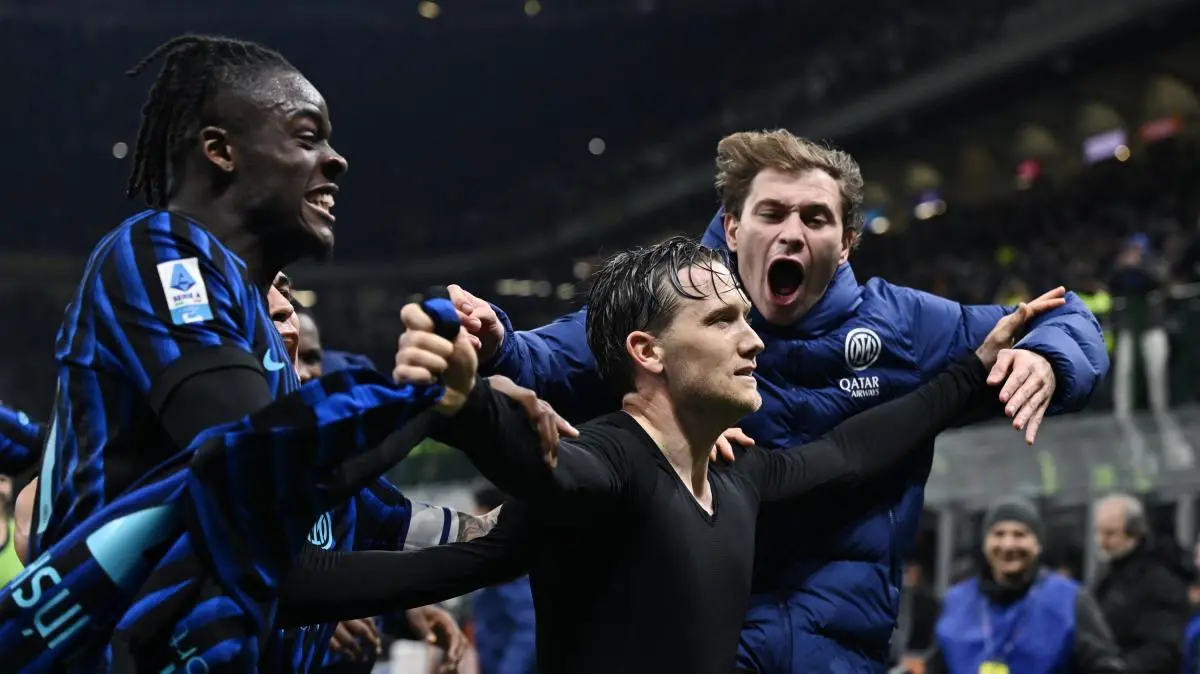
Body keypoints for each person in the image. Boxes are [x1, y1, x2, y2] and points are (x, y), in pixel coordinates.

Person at [448, 129, 1109, 672]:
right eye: (772, 213)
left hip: (841, 654)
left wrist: (1047, 355)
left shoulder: (904, 327)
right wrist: (497, 341)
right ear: (733, 229)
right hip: (706, 645)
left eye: (815, 218)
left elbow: (1061, 314)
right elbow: (549, 355)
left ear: (845, 243)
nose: (792, 231)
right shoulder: (675, 309)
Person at [926, 496, 1124, 674]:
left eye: (1020, 534)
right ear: (985, 544)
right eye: (998, 534)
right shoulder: (956, 601)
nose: (1008, 545)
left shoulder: (1070, 600)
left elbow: (1105, 667)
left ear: (1038, 545)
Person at [1092, 493, 1190, 674]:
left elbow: (1163, 649)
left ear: (1134, 534)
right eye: (1098, 532)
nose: (1101, 541)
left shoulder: (1159, 581)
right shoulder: (1109, 576)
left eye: (1110, 533)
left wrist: (1119, 669)